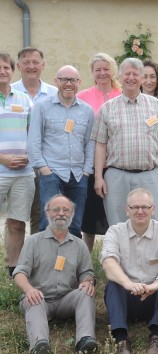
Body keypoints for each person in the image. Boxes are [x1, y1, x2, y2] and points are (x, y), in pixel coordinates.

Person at [100, 188, 158, 354]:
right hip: (126, 297)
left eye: (145, 207)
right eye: (135, 207)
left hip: (154, 296)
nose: (140, 211)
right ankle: (121, 340)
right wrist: (127, 283)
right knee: (113, 284)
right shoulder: (114, 231)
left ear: (153, 209)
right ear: (126, 210)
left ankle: (156, 336)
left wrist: (157, 283)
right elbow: (108, 263)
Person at [13, 195, 97, 354]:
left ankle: (85, 341)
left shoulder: (79, 245)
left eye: (66, 210)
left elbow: (87, 272)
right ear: (47, 213)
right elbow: (20, 273)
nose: (61, 213)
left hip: (66, 299)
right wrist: (29, 290)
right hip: (40, 298)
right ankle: (39, 346)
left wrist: (88, 281)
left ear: (72, 214)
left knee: (86, 294)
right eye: (56, 209)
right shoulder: (33, 242)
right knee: (34, 301)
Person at [91, 58, 158, 225]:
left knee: (151, 224)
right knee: (117, 225)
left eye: (136, 74)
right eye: (127, 74)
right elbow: (100, 145)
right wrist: (98, 177)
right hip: (116, 176)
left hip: (149, 175)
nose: (131, 78)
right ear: (120, 77)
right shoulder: (107, 108)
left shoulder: (156, 106)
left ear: (142, 78)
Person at [28, 65, 95, 238]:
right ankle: (47, 264)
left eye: (72, 80)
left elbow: (90, 143)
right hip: (52, 173)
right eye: (64, 79)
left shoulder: (87, 111)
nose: (68, 83)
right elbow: (34, 141)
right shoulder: (41, 108)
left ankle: (70, 264)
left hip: (79, 175)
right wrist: (44, 170)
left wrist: (87, 171)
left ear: (79, 82)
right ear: (56, 81)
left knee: (74, 225)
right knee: (48, 223)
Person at [10, 47, 58, 251]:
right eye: (26, 62)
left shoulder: (54, 93)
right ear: (18, 66)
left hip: (44, 166)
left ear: (43, 65)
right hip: (15, 166)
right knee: (16, 218)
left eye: (35, 62)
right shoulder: (9, 91)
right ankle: (15, 263)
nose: (31, 66)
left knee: (41, 215)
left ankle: (38, 260)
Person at [77, 52, 122, 252]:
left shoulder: (122, 94)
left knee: (118, 214)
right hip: (93, 164)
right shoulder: (83, 97)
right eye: (98, 70)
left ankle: (117, 255)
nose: (103, 73)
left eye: (106, 68)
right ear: (92, 73)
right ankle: (87, 259)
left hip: (119, 164)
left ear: (113, 70)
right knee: (90, 216)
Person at [0, 52, 34, 277]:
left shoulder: (24, 99)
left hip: (23, 172)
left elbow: (34, 133)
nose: (2, 72)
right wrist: (2, 158)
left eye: (6, 68)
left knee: (17, 223)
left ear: (13, 71)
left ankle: (14, 270)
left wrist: (30, 156)